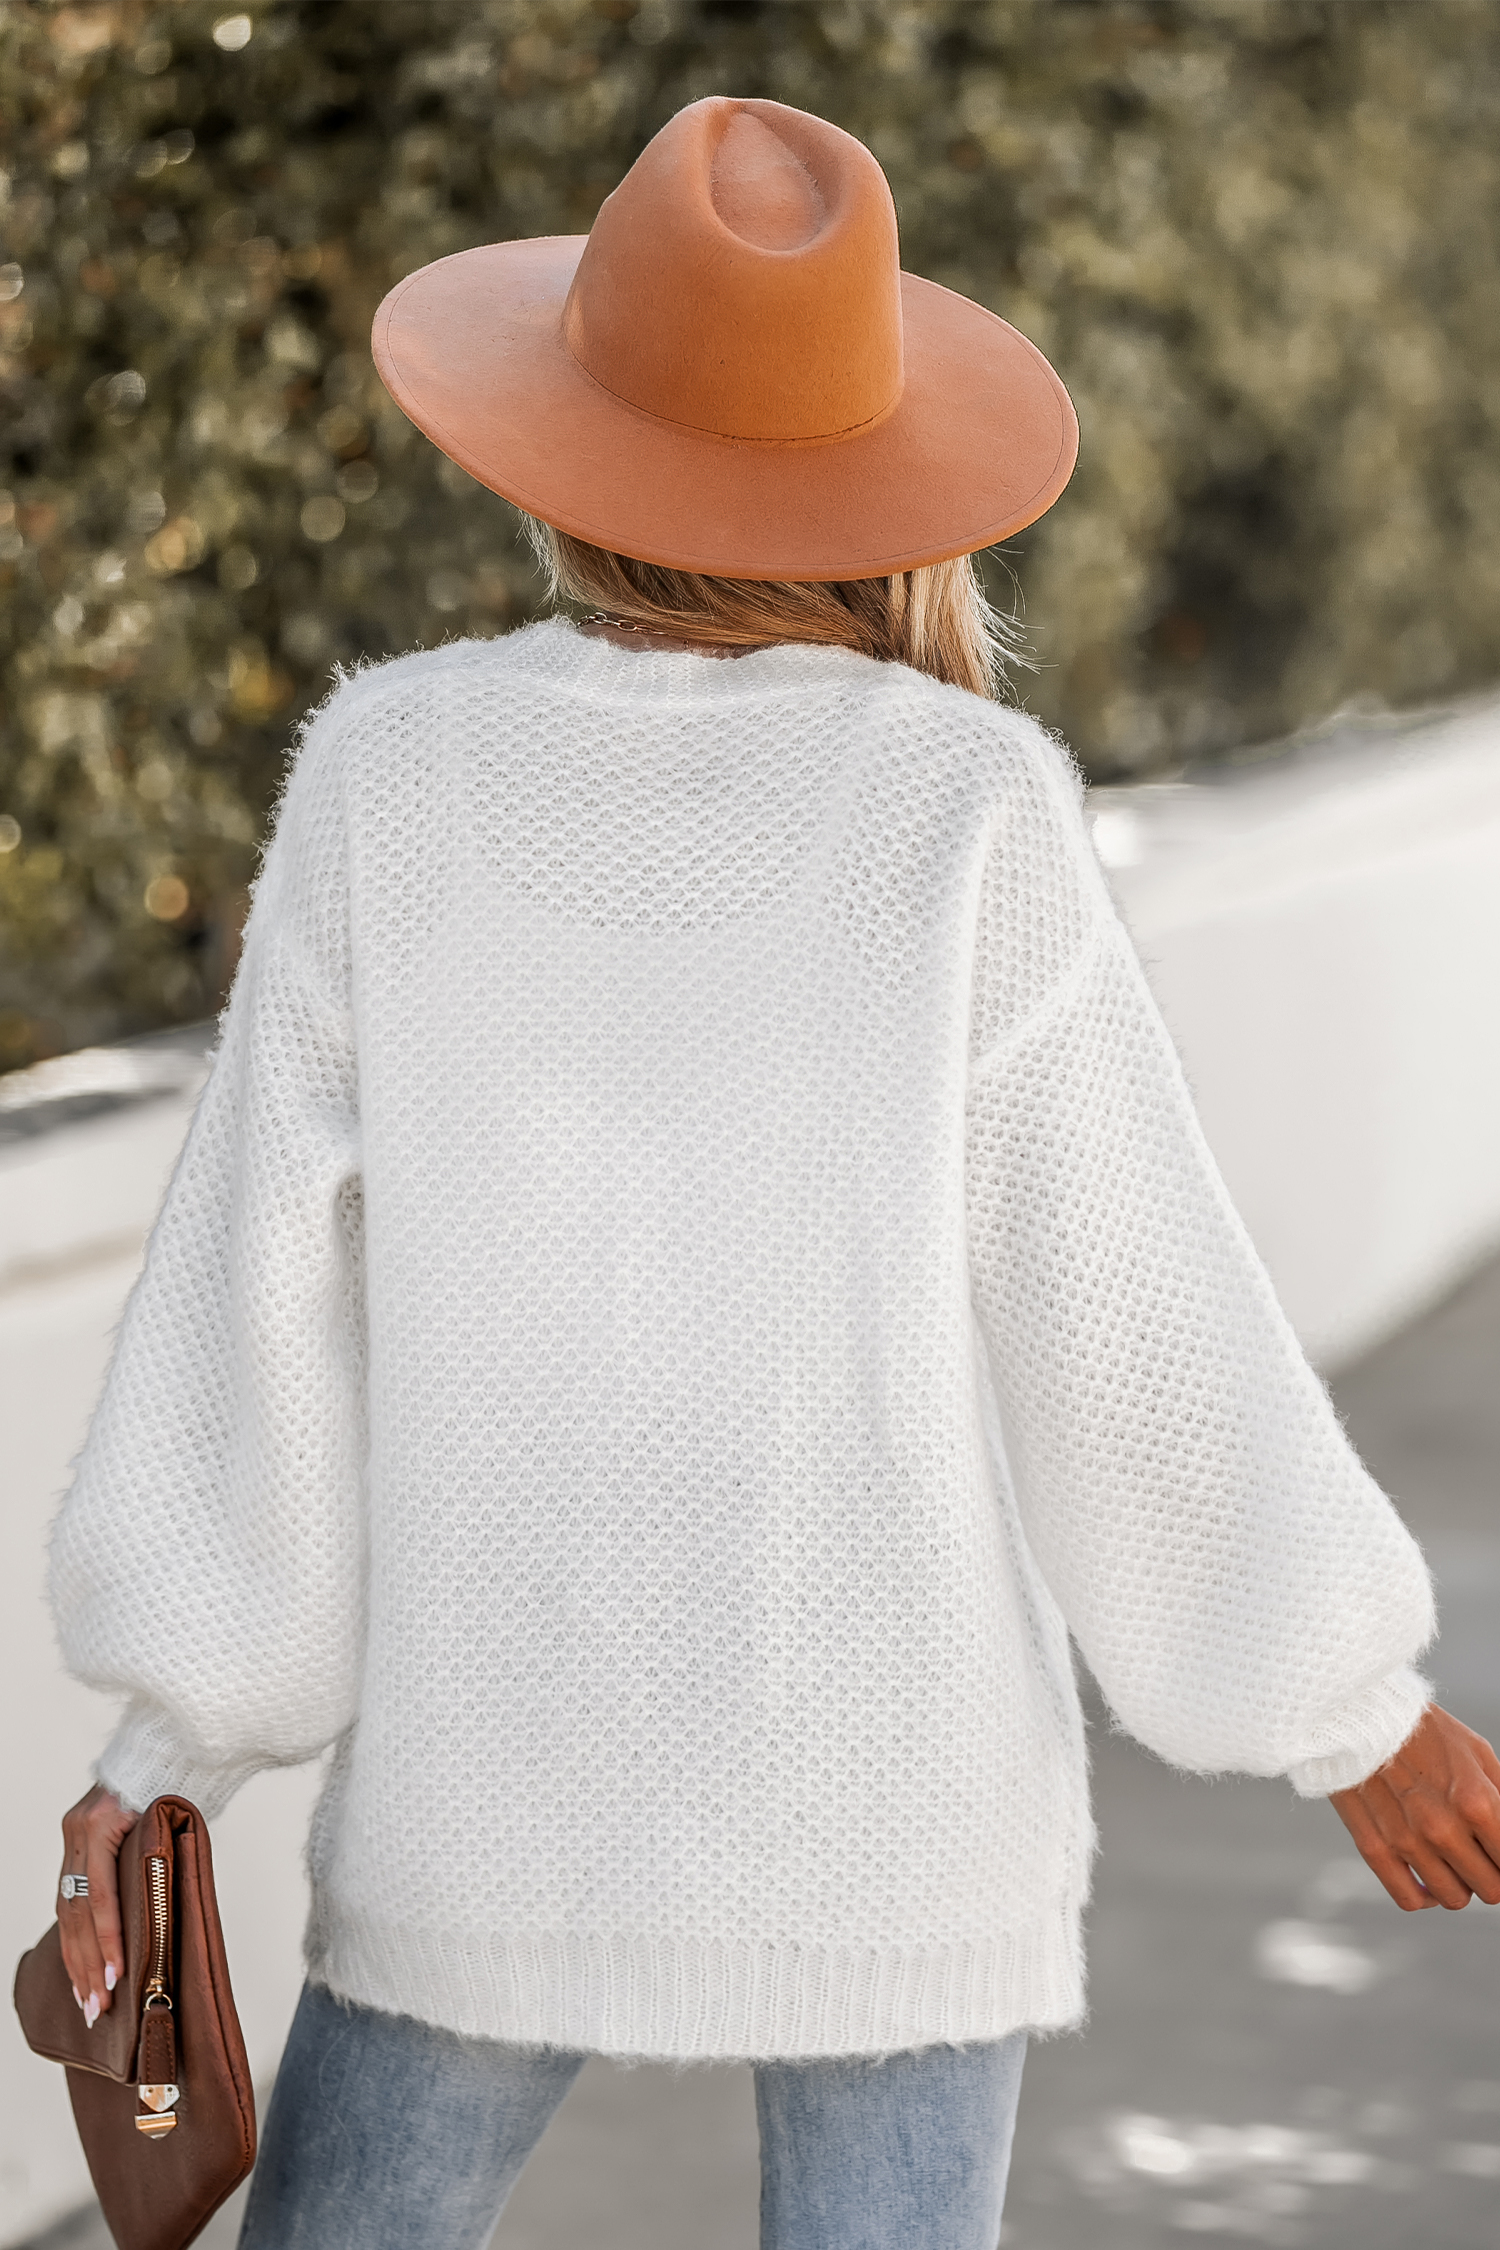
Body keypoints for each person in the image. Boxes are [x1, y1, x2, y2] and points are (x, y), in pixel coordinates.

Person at [48, 96, 1500, 2250]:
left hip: (497, 1794)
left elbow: (257, 1295)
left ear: (565, 439)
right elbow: (1124, 1311)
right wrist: (1345, 1708)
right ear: (879, 480)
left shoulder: (393, 777)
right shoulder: (968, 810)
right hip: (893, 1807)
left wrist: (171, 1739)